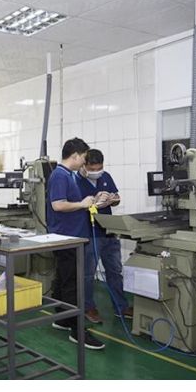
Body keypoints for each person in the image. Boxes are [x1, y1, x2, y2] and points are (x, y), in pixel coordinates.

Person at [46, 137, 105, 350]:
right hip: (66, 236)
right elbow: (58, 205)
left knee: (64, 279)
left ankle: (63, 318)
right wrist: (81, 204)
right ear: (75, 155)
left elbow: (69, 203)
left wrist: (91, 201)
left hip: (71, 235)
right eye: (83, 158)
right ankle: (77, 330)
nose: (84, 162)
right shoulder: (60, 175)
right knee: (73, 283)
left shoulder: (68, 175)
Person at [76, 148, 133, 323]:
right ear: (84, 165)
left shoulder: (105, 177)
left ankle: (121, 306)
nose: (96, 172)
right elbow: (75, 206)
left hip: (108, 231)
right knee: (88, 273)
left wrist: (111, 200)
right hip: (89, 232)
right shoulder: (75, 181)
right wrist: (94, 201)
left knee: (115, 270)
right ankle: (88, 307)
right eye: (92, 169)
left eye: (99, 168)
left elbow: (117, 198)